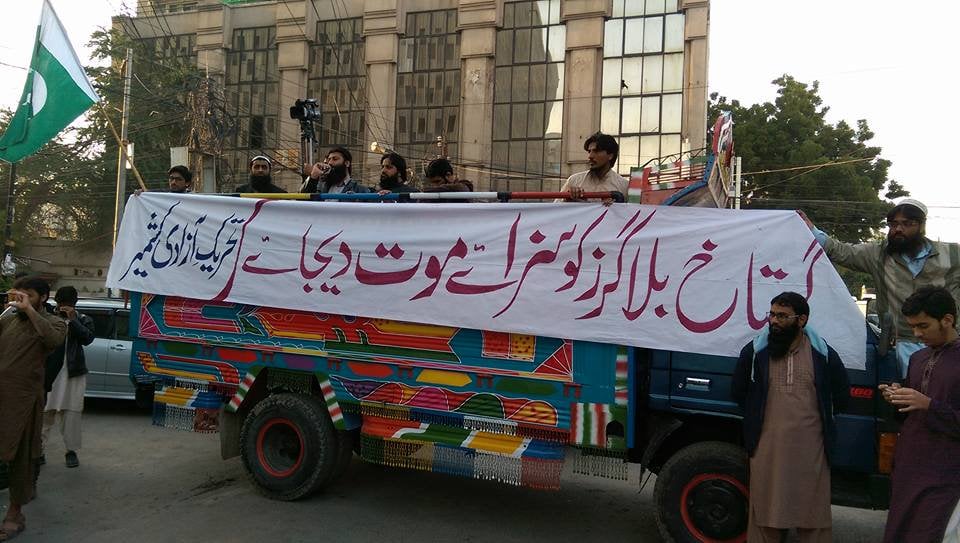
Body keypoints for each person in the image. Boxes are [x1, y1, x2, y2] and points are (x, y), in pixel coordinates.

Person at [731, 291, 850, 542]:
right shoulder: (755, 352)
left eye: (783, 316)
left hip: (812, 451)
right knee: (765, 513)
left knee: (813, 516)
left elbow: (840, 396)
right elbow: (739, 392)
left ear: (801, 320)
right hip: (767, 449)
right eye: (772, 314)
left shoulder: (822, 354)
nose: (774, 321)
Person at [800, 199, 960, 378]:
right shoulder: (879, 255)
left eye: (907, 224)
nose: (898, 229)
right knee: (906, 397)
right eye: (893, 224)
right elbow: (841, 251)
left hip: (948, 344)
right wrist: (811, 230)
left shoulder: (953, 255)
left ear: (922, 226)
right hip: (901, 345)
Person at [881, 286, 960, 543]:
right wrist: (897, 397)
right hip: (908, 467)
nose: (916, 333)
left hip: (945, 473)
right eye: (913, 326)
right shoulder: (917, 357)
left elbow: (927, 405)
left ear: (947, 320)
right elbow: (909, 410)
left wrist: (929, 405)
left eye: (923, 326)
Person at [0, 276, 67, 541]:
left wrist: (29, 310)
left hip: (25, 401)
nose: (21, 298)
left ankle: (14, 514)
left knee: (21, 458)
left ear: (43, 297)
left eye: (27, 295)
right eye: (18, 293)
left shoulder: (54, 322)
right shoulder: (7, 320)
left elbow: (52, 340)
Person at [42, 286, 95, 469]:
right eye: (61, 303)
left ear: (75, 303)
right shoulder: (47, 318)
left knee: (72, 414)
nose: (64, 307)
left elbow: (87, 339)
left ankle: (71, 451)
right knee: (44, 413)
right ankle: (38, 451)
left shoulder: (82, 319)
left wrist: (73, 320)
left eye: (68, 304)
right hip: (50, 373)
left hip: (73, 373)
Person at [556, 132, 628, 205]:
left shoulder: (624, 186)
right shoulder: (574, 181)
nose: (590, 156)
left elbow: (631, 214)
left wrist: (614, 208)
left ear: (610, 156)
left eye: (596, 151)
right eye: (589, 151)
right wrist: (567, 198)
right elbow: (556, 209)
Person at [300, 147, 370, 195]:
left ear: (347, 163)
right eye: (329, 160)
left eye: (335, 159)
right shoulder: (320, 186)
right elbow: (301, 202)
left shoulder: (360, 191)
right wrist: (313, 177)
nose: (330, 163)